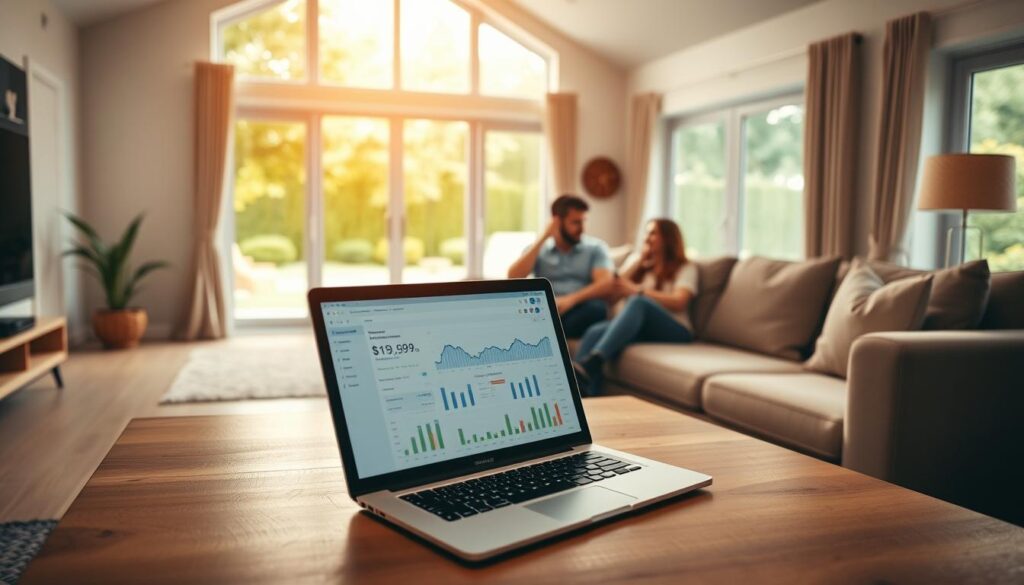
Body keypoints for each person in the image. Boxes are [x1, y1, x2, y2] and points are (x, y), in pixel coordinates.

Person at [574, 218, 698, 396]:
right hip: (647, 330)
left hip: (677, 330)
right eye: (647, 232)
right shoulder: (642, 265)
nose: (647, 237)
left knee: (638, 302)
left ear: (668, 238)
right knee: (595, 331)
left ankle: (594, 361)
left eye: (654, 233)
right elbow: (611, 291)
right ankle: (582, 393)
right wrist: (639, 262)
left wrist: (638, 291)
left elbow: (679, 301)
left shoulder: (685, 267)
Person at [508, 194, 614, 338]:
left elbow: (605, 284)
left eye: (583, 221)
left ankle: (544, 333)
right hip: (546, 308)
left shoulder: (596, 248)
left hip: (581, 307)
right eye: (576, 222)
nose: (582, 228)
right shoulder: (539, 249)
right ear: (557, 222)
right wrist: (544, 236)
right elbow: (513, 277)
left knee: (597, 309)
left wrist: (571, 300)